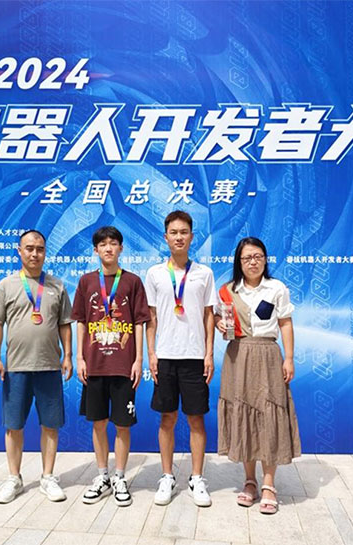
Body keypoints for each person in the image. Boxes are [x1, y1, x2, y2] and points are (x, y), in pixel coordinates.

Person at [0, 230, 73, 504]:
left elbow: (65, 324)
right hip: (16, 368)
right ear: (19, 251)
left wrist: (68, 356)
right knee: (14, 426)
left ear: (45, 252)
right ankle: (14, 478)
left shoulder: (57, 286)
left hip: (49, 366)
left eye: (40, 249)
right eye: (29, 248)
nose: (35, 253)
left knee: (50, 424)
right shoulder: (6, 285)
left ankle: (48, 477)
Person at [215, 237, 301, 515]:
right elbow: (218, 319)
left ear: (265, 259)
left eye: (258, 257)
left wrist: (289, 358)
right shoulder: (228, 290)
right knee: (243, 414)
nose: (253, 262)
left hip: (267, 354)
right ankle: (250, 480)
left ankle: (269, 484)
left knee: (268, 414)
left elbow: (285, 323)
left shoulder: (276, 288)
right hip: (237, 355)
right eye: (247, 258)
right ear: (239, 262)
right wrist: (219, 324)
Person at [72, 226, 150, 507]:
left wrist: (138, 359)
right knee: (98, 423)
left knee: (123, 424)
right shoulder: (86, 282)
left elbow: (139, 322)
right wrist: (79, 358)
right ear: (95, 250)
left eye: (113, 243)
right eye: (103, 244)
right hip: (94, 365)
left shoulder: (132, 281)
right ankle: (102, 475)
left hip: (123, 365)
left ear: (121, 248)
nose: (108, 248)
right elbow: (81, 321)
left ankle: (119, 477)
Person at [145, 211, 217, 507]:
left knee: (196, 418)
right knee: (167, 418)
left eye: (184, 232)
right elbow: (151, 318)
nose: (179, 237)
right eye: (173, 232)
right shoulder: (154, 274)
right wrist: (151, 353)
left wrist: (209, 353)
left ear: (191, 236)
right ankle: (167, 476)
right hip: (165, 356)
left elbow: (209, 315)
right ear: (166, 237)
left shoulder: (204, 273)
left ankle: (197, 478)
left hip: (195, 357)